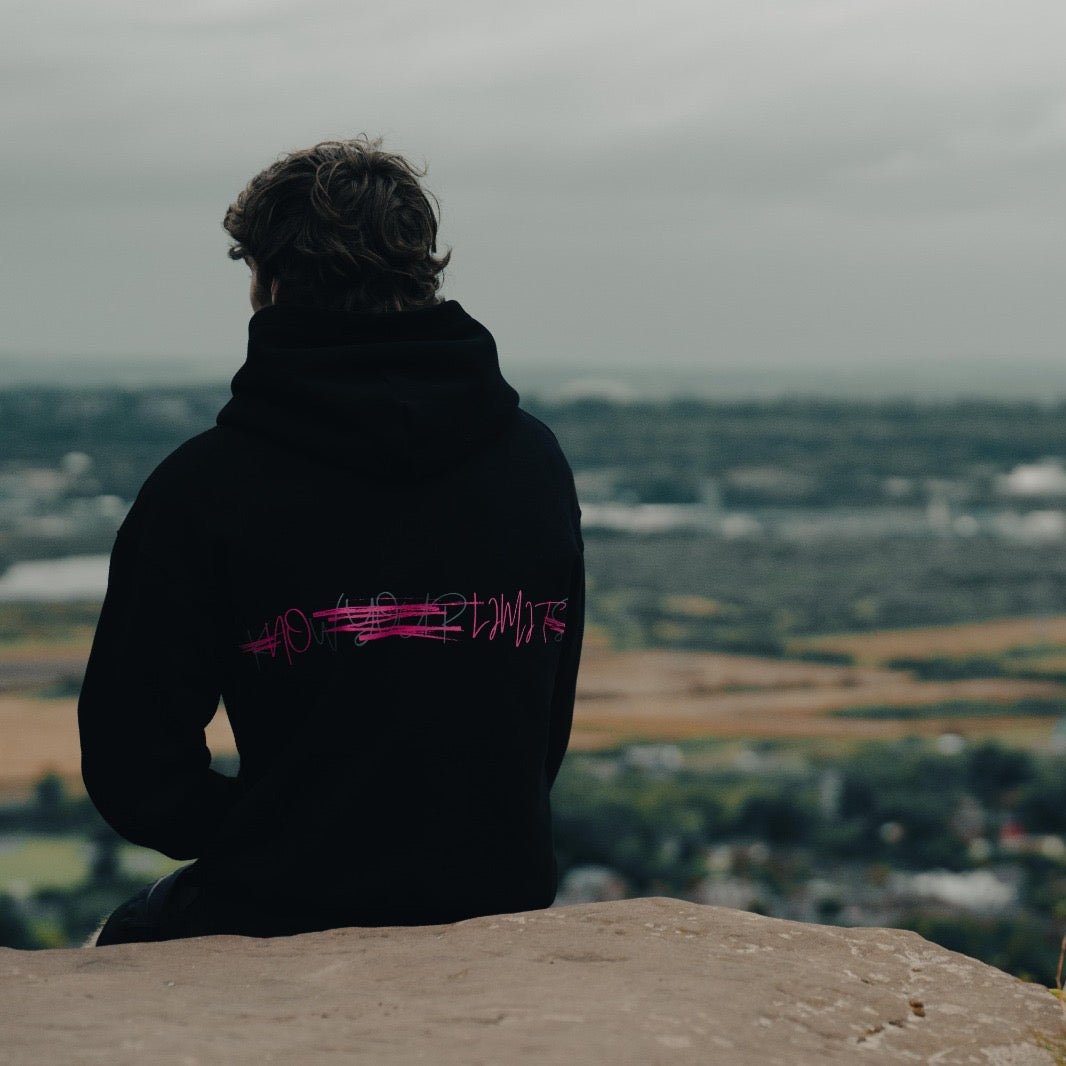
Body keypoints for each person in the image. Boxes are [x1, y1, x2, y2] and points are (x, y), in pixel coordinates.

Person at [78, 135, 585, 945]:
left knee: (123, 943)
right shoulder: (534, 462)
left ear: (272, 283)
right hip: (498, 888)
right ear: (423, 271)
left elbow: (133, 769)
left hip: (283, 905)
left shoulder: (203, 489)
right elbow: (542, 721)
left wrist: (286, 834)